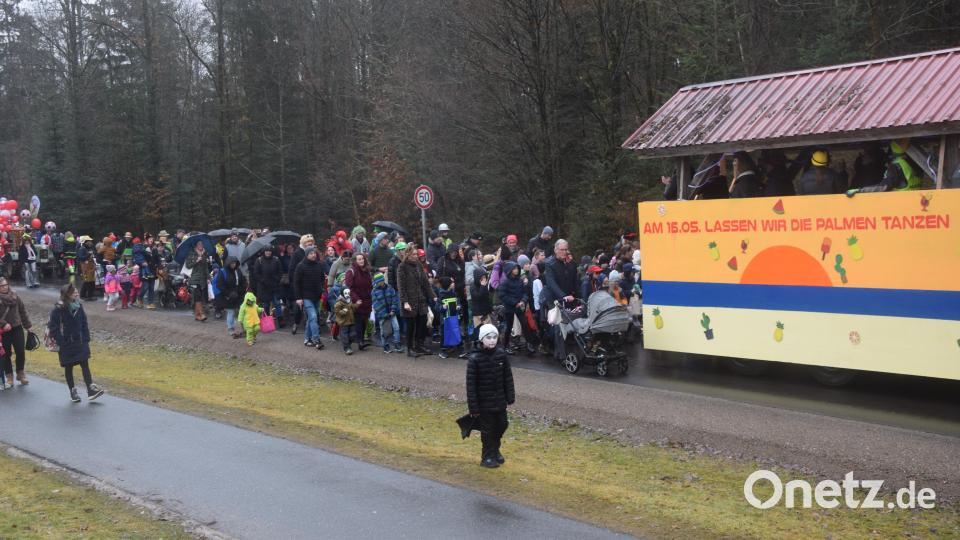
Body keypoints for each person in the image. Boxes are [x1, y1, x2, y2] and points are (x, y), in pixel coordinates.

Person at [466, 324, 515, 469]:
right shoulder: (474, 359)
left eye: (494, 337)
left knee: (502, 424)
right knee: (488, 429)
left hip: (499, 400)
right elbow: (471, 385)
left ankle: (495, 449)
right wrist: (473, 407)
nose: (492, 340)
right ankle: (487, 456)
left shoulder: (501, 354)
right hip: (484, 403)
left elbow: (507, 376)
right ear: (482, 339)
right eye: (488, 338)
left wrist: (510, 395)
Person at [47, 284, 104, 402]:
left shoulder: (79, 306)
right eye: (74, 292)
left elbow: (84, 323)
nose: (77, 294)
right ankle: (73, 391)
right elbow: (53, 327)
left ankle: (90, 389)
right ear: (67, 295)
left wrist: (86, 338)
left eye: (77, 292)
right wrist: (62, 342)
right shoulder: (58, 309)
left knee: (85, 364)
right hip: (66, 344)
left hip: (80, 341)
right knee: (68, 367)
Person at [397, 244, 435, 358]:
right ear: (408, 254)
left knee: (422, 323)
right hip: (409, 300)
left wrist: (432, 295)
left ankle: (419, 345)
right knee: (410, 326)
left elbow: (425, 282)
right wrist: (405, 302)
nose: (416, 256)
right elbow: (401, 286)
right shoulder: (402, 267)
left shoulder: (418, 264)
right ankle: (409, 348)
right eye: (413, 254)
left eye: (416, 254)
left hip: (420, 299)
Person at [856, 139, 922, 194]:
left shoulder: (896, 166)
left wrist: (860, 190)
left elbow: (883, 187)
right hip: (916, 204)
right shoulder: (918, 163)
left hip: (900, 204)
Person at [0, 277, 32, 387]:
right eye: (2, 286)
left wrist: (28, 325)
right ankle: (9, 375)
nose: (4, 287)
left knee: (20, 351)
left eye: (6, 285)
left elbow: (22, 310)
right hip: (4, 331)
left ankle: (20, 373)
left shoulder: (15, 295)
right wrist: (4, 324)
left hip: (17, 327)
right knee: (6, 354)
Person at [294, 246, 326, 349]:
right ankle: (316, 339)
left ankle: (307, 339)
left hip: (317, 296)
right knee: (313, 317)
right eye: (311, 253)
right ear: (306, 255)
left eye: (314, 253)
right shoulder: (300, 266)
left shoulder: (319, 265)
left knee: (311, 319)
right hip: (306, 297)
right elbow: (296, 283)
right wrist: (298, 298)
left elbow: (322, 278)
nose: (313, 255)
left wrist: (321, 288)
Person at [343, 253, 373, 350]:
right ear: (355, 260)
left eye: (362, 259)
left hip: (367, 300)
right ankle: (359, 342)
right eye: (359, 259)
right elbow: (349, 288)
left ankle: (361, 341)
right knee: (358, 322)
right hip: (357, 301)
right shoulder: (351, 271)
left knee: (365, 321)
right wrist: (356, 299)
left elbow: (370, 285)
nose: (361, 261)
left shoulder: (367, 270)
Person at [496, 261, 525, 354]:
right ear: (510, 270)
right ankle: (505, 346)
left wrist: (522, 301)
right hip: (509, 307)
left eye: (517, 268)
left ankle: (530, 343)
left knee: (525, 324)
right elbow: (502, 295)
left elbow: (524, 292)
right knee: (508, 327)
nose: (516, 270)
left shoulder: (520, 280)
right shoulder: (505, 282)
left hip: (519, 305)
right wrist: (515, 302)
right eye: (514, 268)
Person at [215, 256, 246, 338]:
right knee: (231, 312)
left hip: (239, 295)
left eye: (235, 263)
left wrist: (241, 291)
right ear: (228, 263)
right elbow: (220, 285)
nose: (233, 264)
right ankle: (231, 329)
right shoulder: (223, 272)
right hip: (228, 297)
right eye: (232, 263)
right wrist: (229, 293)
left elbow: (243, 282)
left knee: (242, 312)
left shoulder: (238, 271)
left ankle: (245, 329)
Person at [371, 272, 402, 353]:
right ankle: (386, 345)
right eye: (379, 282)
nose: (381, 283)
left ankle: (397, 344)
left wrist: (393, 310)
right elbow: (376, 305)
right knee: (384, 331)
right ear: (376, 282)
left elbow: (394, 299)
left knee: (396, 328)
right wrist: (384, 314)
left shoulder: (390, 288)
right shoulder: (374, 292)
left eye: (382, 281)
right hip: (383, 315)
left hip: (392, 313)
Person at [253, 246, 284, 326]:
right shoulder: (259, 260)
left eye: (270, 251)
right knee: (265, 305)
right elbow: (256, 273)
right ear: (264, 252)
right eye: (266, 251)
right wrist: (263, 280)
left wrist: (277, 279)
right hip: (264, 287)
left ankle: (280, 320)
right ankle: (267, 322)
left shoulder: (276, 260)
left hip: (274, 286)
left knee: (277, 303)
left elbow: (280, 271)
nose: (268, 252)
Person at [185, 241, 210, 321]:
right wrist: (196, 261)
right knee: (198, 295)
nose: (201, 246)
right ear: (196, 246)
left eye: (202, 244)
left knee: (199, 297)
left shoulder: (204, 254)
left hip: (202, 279)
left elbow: (206, 267)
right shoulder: (191, 253)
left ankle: (197, 315)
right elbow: (188, 265)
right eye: (199, 244)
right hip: (194, 278)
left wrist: (208, 277)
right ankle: (201, 314)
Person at [333, 288, 358, 354]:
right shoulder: (339, 303)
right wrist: (344, 311)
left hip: (351, 321)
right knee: (344, 335)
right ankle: (347, 348)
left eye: (349, 293)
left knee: (353, 334)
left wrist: (356, 305)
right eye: (346, 293)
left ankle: (347, 344)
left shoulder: (350, 300)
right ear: (342, 294)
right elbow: (337, 312)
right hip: (343, 322)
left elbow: (352, 307)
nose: (348, 295)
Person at [78, 236, 98, 300]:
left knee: (91, 281)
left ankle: (88, 295)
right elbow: (81, 258)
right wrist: (88, 255)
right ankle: (87, 296)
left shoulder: (89, 248)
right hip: (85, 268)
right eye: (89, 241)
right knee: (87, 282)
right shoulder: (82, 249)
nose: (91, 242)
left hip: (91, 267)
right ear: (85, 242)